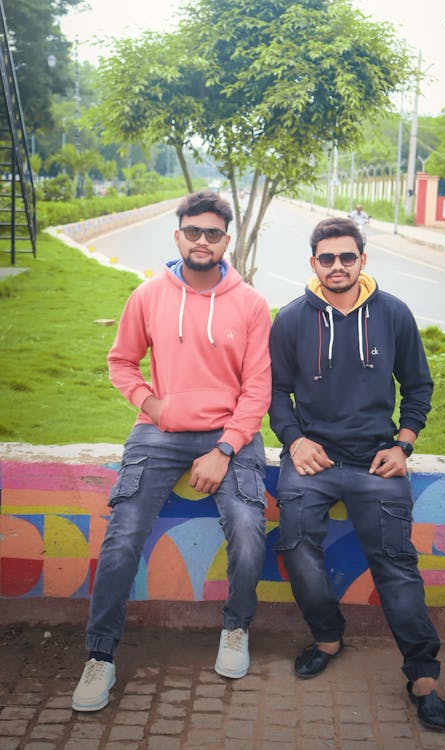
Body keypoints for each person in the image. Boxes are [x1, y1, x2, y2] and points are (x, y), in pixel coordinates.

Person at [72, 191, 272, 712]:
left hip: (232, 433)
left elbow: (257, 390)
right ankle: (100, 655)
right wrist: (150, 405)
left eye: (212, 233)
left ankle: (235, 627)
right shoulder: (147, 296)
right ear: (178, 234)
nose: (202, 240)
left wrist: (225, 449)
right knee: (122, 537)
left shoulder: (250, 304)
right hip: (159, 433)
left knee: (249, 533)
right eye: (193, 231)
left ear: (226, 240)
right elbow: (122, 363)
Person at [268, 216, 445, 732]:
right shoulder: (290, 319)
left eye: (347, 257)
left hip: (377, 460)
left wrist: (405, 444)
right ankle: (327, 637)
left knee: (395, 563)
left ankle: (422, 676)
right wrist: (296, 440)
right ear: (313, 264)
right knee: (296, 545)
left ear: (362, 260)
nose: (338, 266)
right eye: (327, 258)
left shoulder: (392, 314)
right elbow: (275, 393)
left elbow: (418, 386)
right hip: (313, 460)